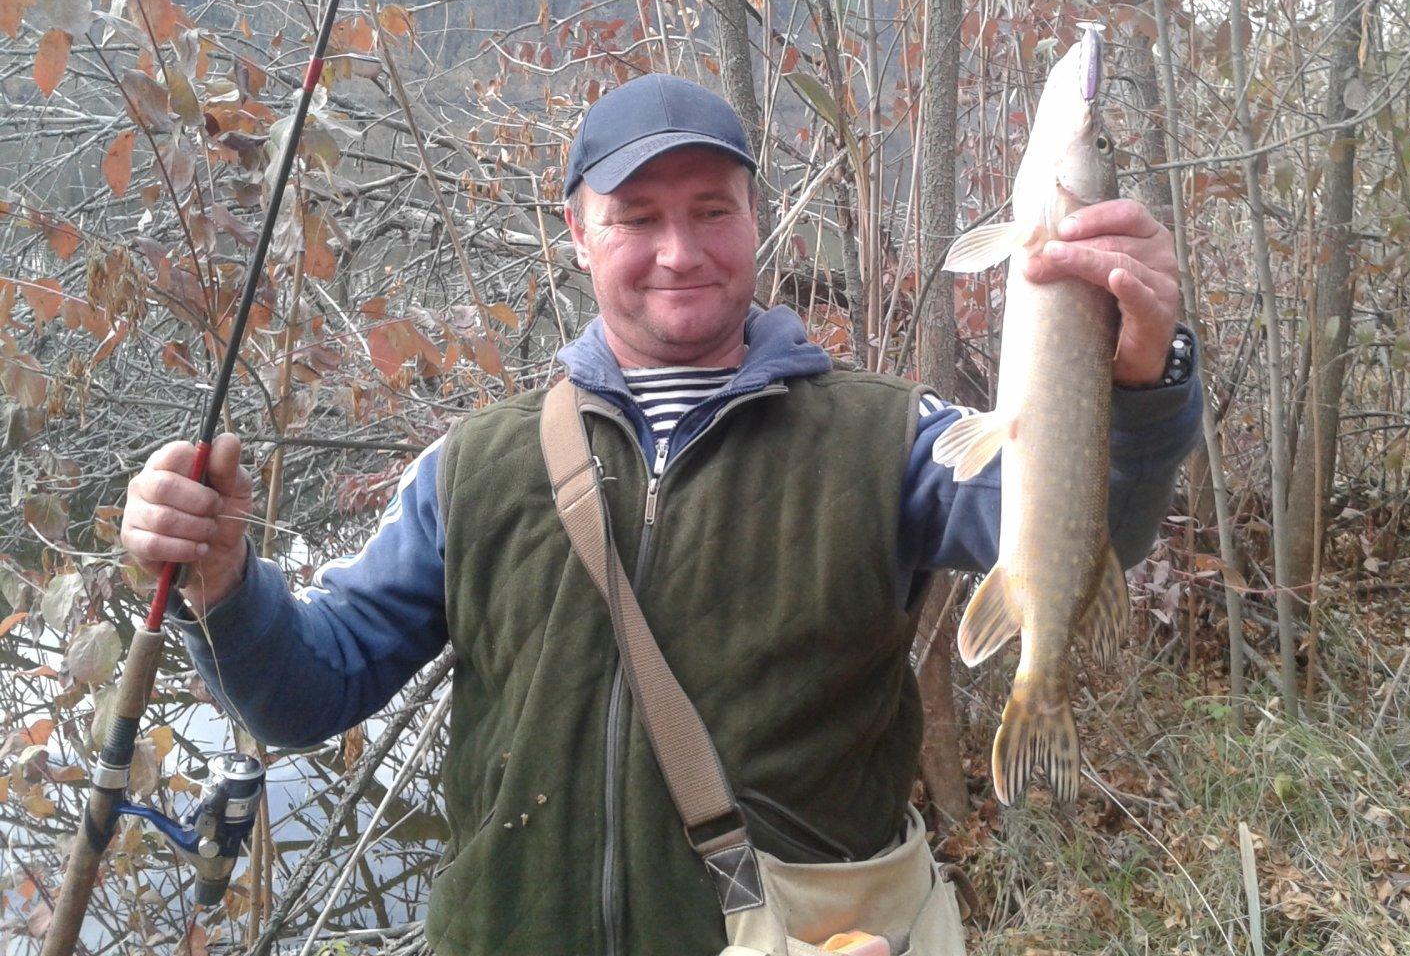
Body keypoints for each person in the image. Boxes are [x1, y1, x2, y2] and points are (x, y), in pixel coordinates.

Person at [121, 74, 1202, 956]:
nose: (679, 252)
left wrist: (1145, 379)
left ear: (754, 218)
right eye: (637, 219)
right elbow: (307, 692)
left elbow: (1086, 527)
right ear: (577, 232)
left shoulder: (888, 440)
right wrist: (223, 585)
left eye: (710, 212)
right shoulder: (475, 467)